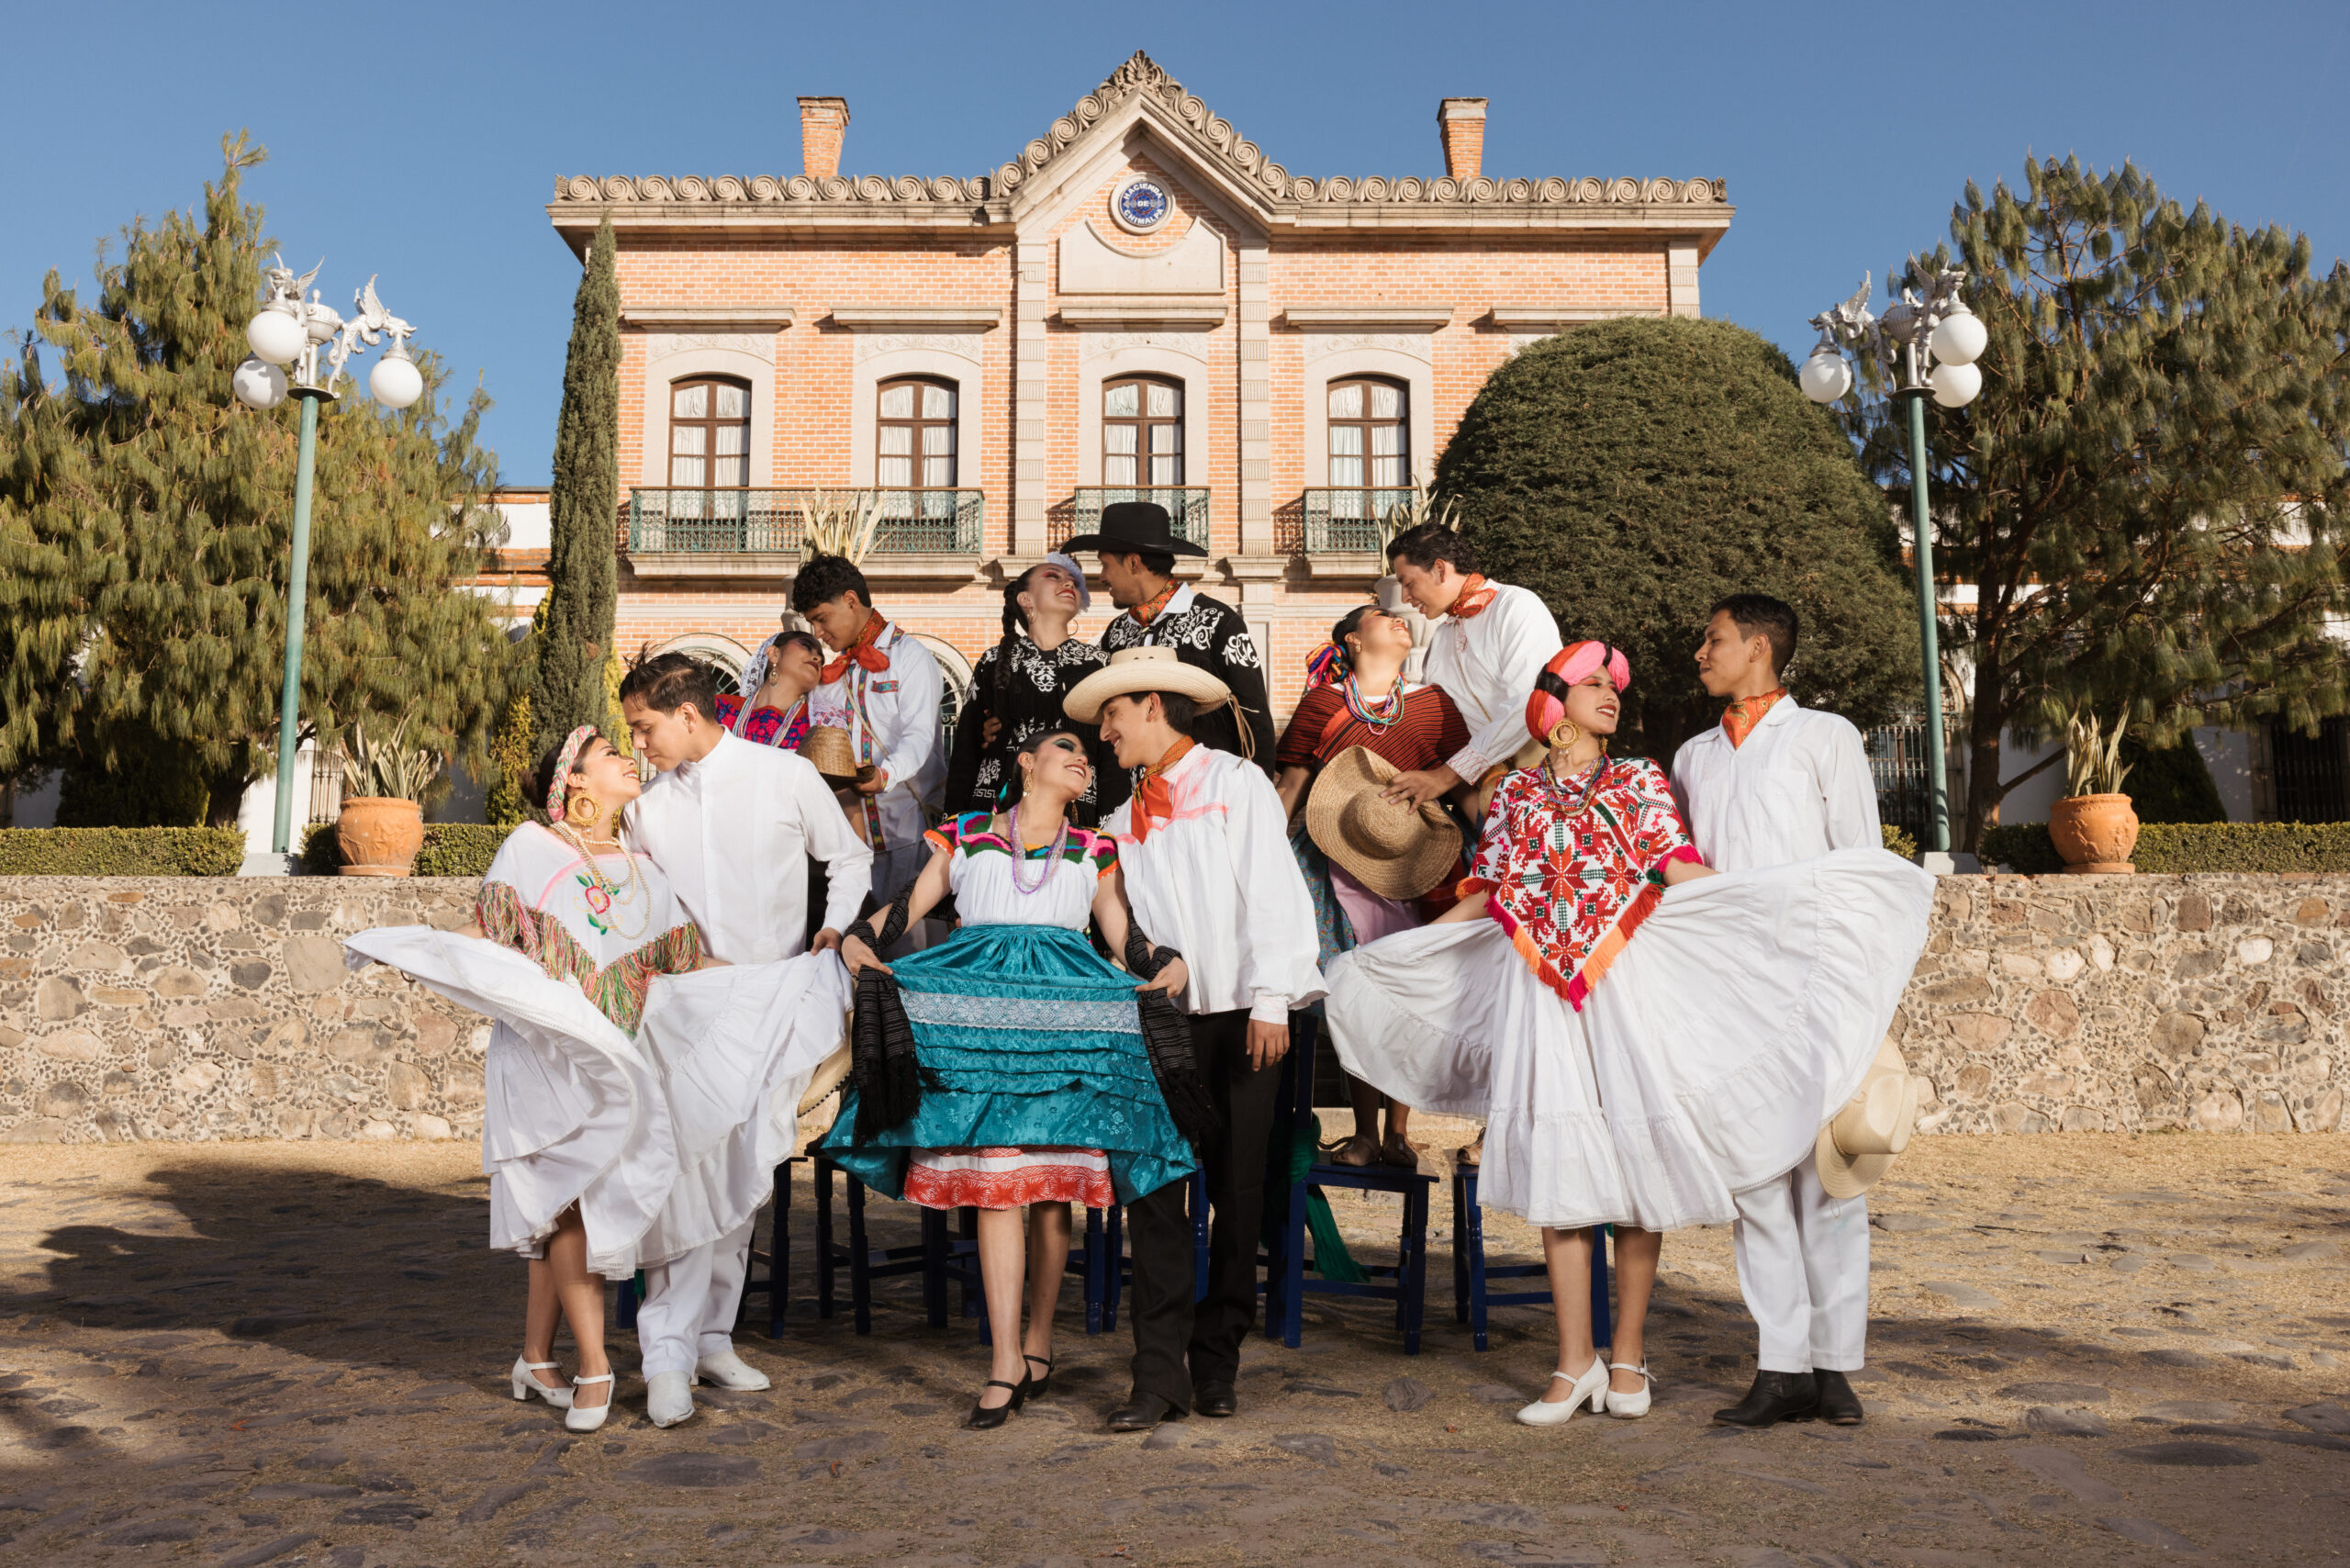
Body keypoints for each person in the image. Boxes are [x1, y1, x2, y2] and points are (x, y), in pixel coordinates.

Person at [1323, 641, 1931, 1428]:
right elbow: (1487, 894)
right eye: (1594, 684)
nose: (1611, 695)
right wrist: (1397, 953)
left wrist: (1782, 907)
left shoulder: (1640, 778)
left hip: (1626, 992)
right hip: (1540, 998)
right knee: (1561, 1168)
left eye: (1615, 686)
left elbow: (1679, 872)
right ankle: (1574, 1363)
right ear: (1554, 705)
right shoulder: (1510, 800)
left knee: (1633, 1165)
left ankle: (1632, 1356)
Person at [821, 727, 1208, 1428]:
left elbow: (1121, 932)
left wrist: (1164, 963)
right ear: (1025, 763)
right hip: (978, 1017)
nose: (1083, 759)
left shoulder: (1096, 849)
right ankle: (1004, 1361)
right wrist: (861, 935)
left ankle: (1038, 1344)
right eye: (1066, 748)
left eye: (1087, 755)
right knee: (999, 1181)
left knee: (1054, 1182)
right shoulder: (965, 833)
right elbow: (909, 903)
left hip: (1062, 1018)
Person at [341, 727, 709, 1433]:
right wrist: (423, 952)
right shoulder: (531, 847)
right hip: (544, 1050)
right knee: (569, 1201)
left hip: (613, 1049)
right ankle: (597, 1368)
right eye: (608, 755)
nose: (626, 761)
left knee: (562, 1205)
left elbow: (684, 957)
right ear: (574, 780)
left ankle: (536, 1360)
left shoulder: (642, 863)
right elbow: (492, 933)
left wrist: (788, 978)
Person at [1063, 646, 1326, 1432]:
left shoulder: (1235, 783)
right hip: (1160, 1028)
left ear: (1151, 705)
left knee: (1241, 1199)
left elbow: (1273, 893)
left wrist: (1274, 1000)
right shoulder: (1117, 820)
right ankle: (1156, 1377)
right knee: (1154, 1199)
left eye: (1111, 714)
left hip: (1247, 1017)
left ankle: (1218, 1363)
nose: (1103, 732)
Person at [622, 651, 874, 1429]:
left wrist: (834, 929)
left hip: (775, 997)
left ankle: (710, 1338)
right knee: (684, 1171)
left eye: (643, 727)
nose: (637, 745)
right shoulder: (647, 809)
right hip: (684, 1009)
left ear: (687, 715)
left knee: (744, 1172)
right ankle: (665, 1352)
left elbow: (850, 856)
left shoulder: (785, 775)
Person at [1669, 593, 1893, 1429]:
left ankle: (1835, 1366)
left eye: (1714, 637)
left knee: (1832, 1179)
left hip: (1817, 983)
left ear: (1759, 647)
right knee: (1756, 1176)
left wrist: (1864, 989)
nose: (1702, 651)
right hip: (1729, 988)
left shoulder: (1825, 737)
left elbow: (1861, 866)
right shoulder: (1692, 756)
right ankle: (1781, 1364)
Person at [1274, 603, 1469, 1168]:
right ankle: (1364, 1132)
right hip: (1333, 864)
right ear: (1354, 641)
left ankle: (1399, 1133)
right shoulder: (1322, 704)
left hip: (1419, 862)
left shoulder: (1434, 705)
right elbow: (1290, 786)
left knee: (1412, 993)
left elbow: (1468, 777)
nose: (1400, 620)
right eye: (1383, 617)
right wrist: (1265, 858)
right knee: (1358, 996)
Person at [1064, 501, 1276, 772]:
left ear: (1132, 563)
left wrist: (1254, 793)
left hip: (1207, 798)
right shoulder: (1116, 633)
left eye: (1104, 564)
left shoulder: (1217, 622)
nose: (1102, 576)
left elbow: (1254, 721)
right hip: (1137, 804)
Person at [1379, 522, 1564, 817]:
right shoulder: (1441, 638)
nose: (1404, 598)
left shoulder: (1517, 606)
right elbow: (1439, 722)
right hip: (1485, 797)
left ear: (1440, 569)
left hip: (1550, 779)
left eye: (1408, 582)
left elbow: (1525, 706)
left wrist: (1446, 776)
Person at [793, 551, 947, 902]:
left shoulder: (911, 657)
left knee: (911, 946)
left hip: (910, 833)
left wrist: (885, 775)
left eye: (821, 619)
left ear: (850, 601)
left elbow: (919, 736)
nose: (818, 633)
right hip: (849, 842)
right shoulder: (832, 675)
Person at [944, 553, 1128, 828]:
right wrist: (952, 826)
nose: (1069, 583)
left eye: (1074, 582)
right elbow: (965, 754)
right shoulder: (992, 661)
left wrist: (1112, 828)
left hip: (1076, 813)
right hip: (996, 810)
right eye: (1053, 576)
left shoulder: (1099, 664)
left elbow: (1113, 755)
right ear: (1025, 599)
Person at [713, 626, 824, 749]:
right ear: (773, 653)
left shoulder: (817, 721)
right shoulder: (719, 707)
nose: (818, 658)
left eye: (822, 660)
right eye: (806, 646)